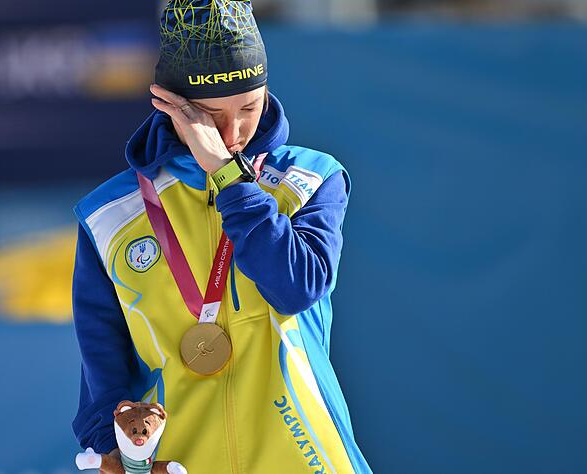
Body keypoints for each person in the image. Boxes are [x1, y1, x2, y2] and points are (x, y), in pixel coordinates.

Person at [71, 1, 372, 472]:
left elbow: (295, 287)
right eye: (211, 117)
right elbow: (101, 368)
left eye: (250, 108)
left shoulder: (310, 178)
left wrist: (228, 177)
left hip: (304, 458)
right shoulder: (109, 214)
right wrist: (109, 448)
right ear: (168, 103)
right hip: (181, 461)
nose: (233, 133)